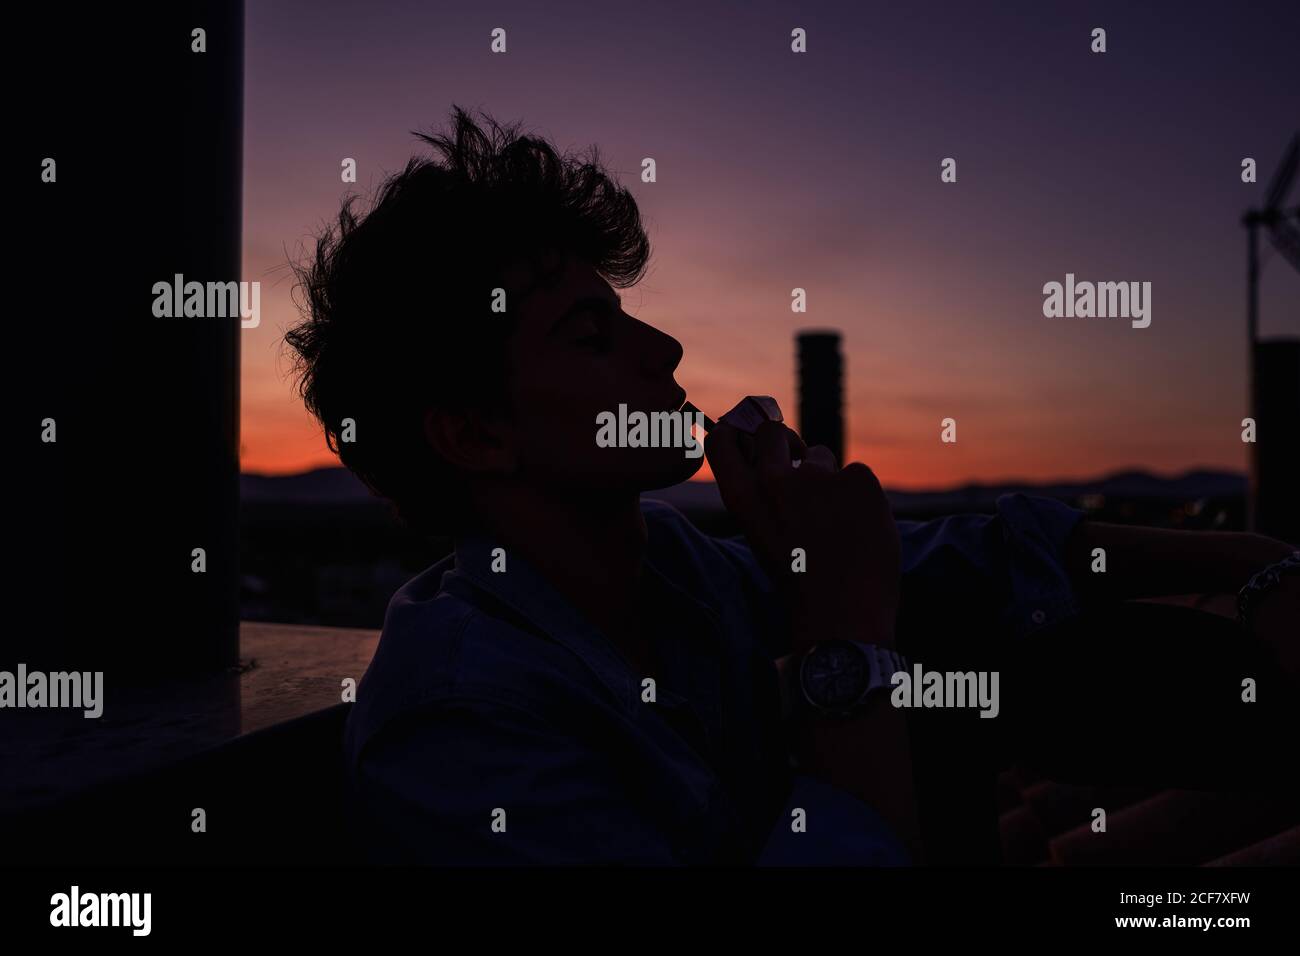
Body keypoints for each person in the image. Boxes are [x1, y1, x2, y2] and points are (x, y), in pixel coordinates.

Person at [285, 106, 1299, 865]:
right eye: (591, 335)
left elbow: (964, 557)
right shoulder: (461, 730)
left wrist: (1254, 562)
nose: (666, 345)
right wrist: (845, 643)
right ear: (473, 432)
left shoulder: (669, 567)